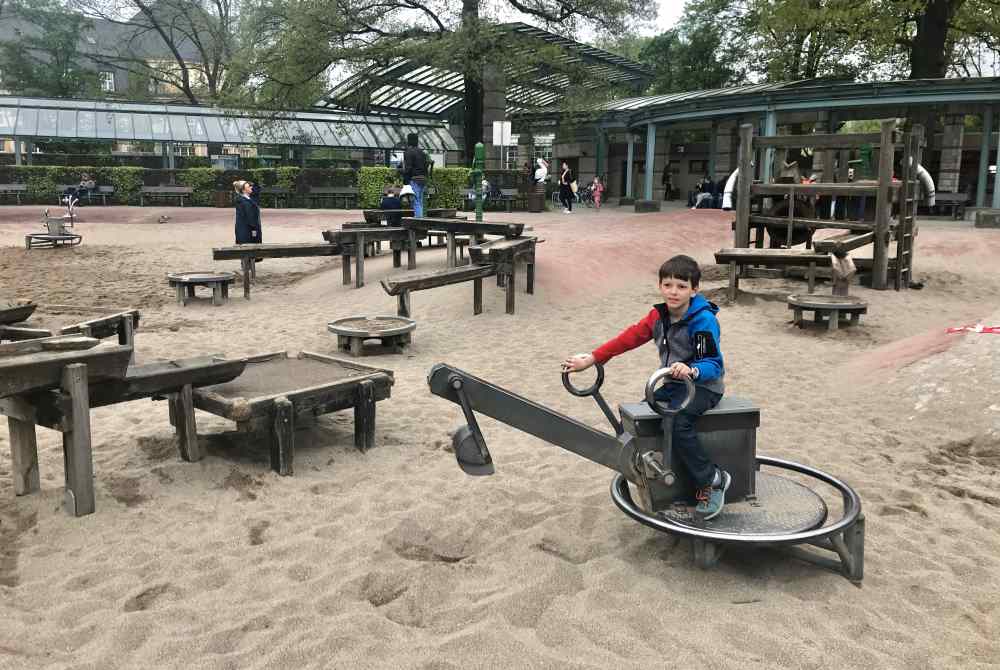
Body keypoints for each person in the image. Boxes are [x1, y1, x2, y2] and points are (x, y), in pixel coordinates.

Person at [561, 254, 730, 520]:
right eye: (668, 285)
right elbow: (630, 337)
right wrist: (594, 357)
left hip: (703, 386)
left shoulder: (702, 320)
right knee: (643, 415)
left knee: (679, 423)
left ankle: (712, 480)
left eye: (681, 286)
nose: (673, 292)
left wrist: (692, 369)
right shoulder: (658, 316)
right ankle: (661, 474)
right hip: (675, 385)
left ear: (694, 290)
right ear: (660, 286)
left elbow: (712, 363)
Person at [402, 132, 428, 218]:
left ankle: (418, 221)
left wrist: (405, 181)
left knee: (415, 201)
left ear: (408, 141)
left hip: (414, 179)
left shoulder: (408, 152)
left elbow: (408, 168)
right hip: (423, 178)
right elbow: (426, 166)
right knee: (420, 200)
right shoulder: (422, 153)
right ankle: (420, 218)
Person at [233, 180, 262, 244]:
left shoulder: (244, 199)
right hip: (247, 234)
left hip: (244, 232)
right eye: (248, 187)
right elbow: (251, 220)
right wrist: (255, 234)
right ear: (243, 190)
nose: (251, 187)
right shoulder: (245, 202)